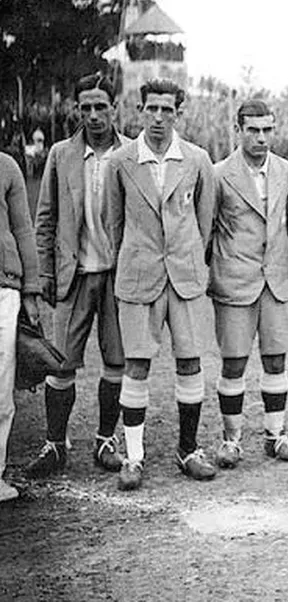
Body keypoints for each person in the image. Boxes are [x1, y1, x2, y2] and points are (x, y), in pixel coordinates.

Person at [105, 79, 218, 490]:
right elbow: (113, 224)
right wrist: (135, 259)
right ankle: (133, 458)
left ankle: (187, 449)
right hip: (139, 276)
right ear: (139, 110)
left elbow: (204, 222)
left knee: (190, 361)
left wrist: (190, 260)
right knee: (136, 365)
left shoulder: (197, 159)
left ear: (178, 113)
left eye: (167, 110)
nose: (158, 117)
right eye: (151, 108)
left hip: (185, 277)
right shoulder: (120, 161)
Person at [26, 73, 129, 478]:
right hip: (73, 275)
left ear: (114, 108)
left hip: (119, 278)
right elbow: (45, 218)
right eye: (85, 107)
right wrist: (42, 274)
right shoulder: (61, 154)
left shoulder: (131, 154)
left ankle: (106, 438)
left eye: (100, 106)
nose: (93, 115)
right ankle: (54, 444)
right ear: (77, 110)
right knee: (61, 362)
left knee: (117, 359)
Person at [209, 99, 288, 468]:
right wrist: (229, 264)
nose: (261, 138)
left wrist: (273, 258)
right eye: (253, 130)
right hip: (234, 281)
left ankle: (275, 435)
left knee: (276, 360)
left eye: (267, 130)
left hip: (276, 279)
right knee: (233, 363)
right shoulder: (218, 174)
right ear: (238, 130)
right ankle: (231, 439)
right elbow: (208, 229)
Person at [0, 152, 41, 502]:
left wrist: (30, 291)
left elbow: (24, 230)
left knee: (0, 387)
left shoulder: (7, 166)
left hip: (3, 290)